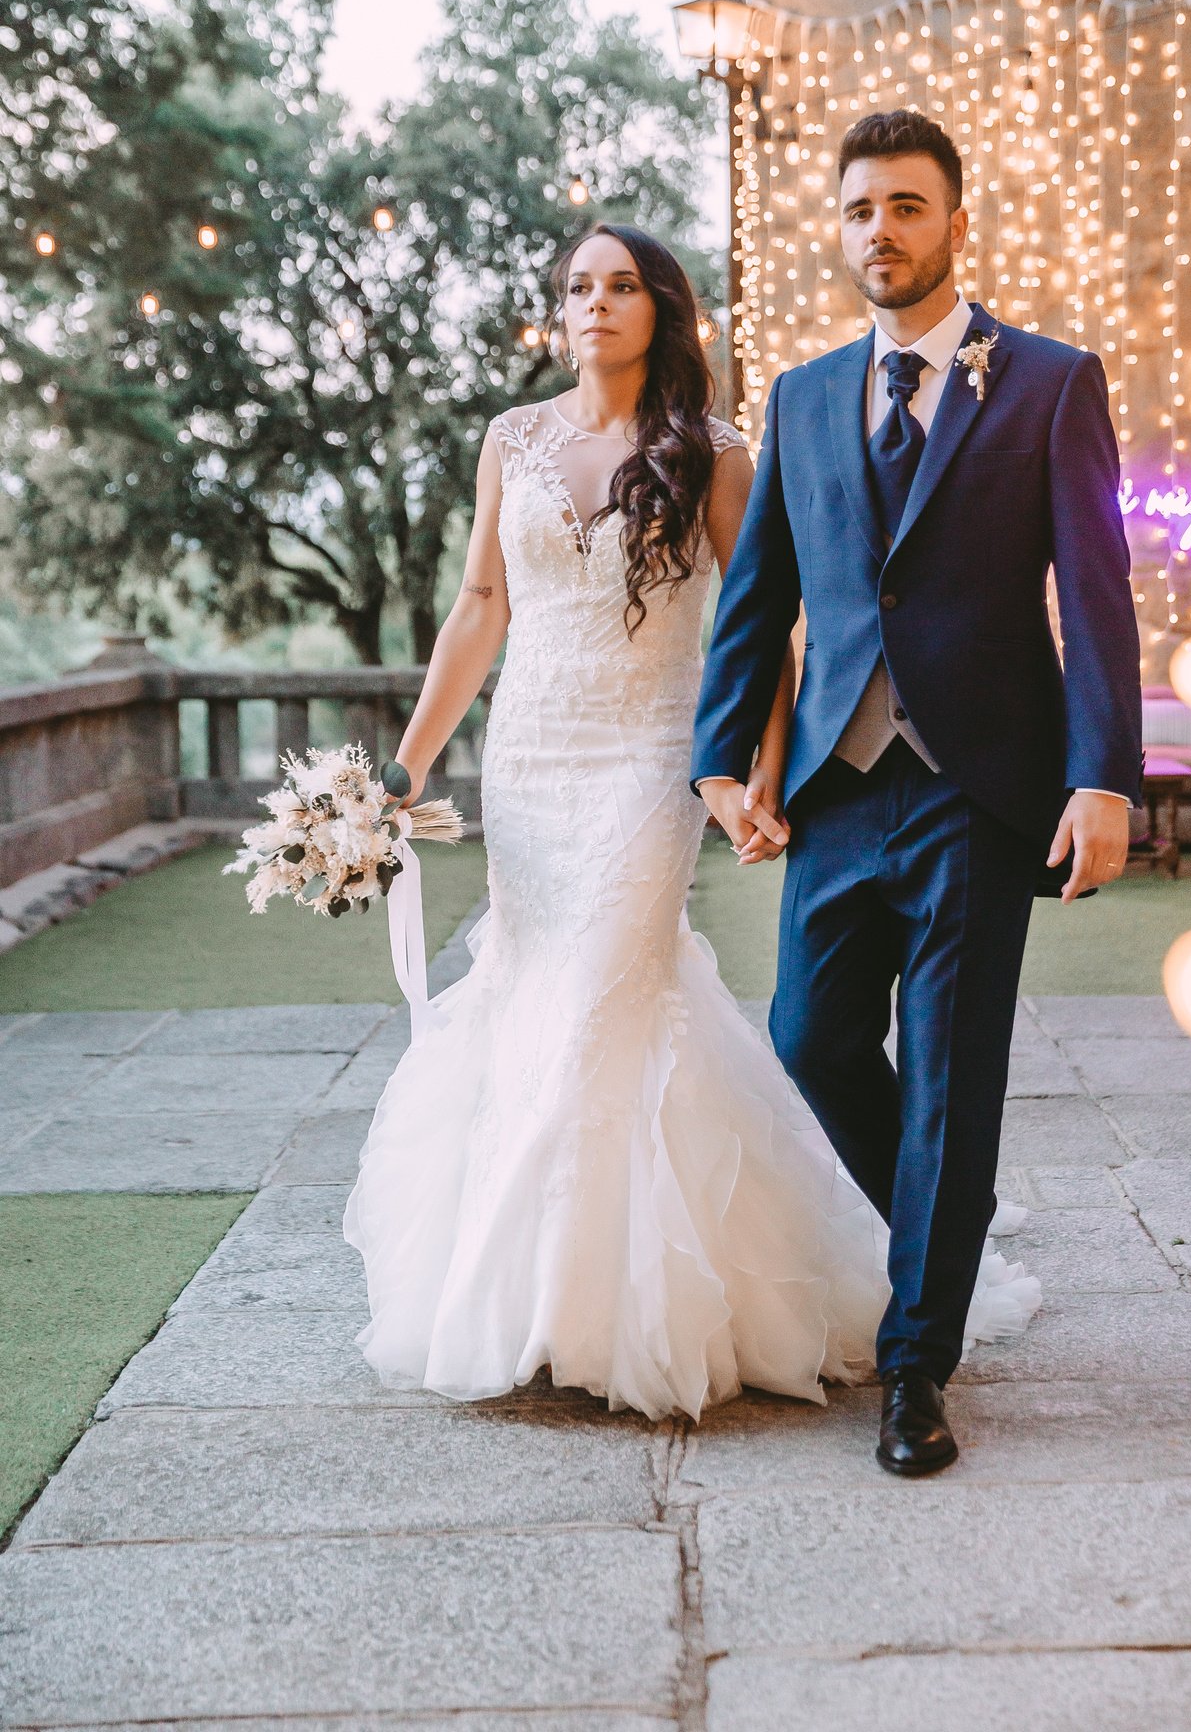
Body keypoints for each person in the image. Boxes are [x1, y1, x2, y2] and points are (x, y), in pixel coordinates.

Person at [344, 219, 1039, 1421]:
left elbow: (763, 619)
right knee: (533, 991)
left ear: (661, 309)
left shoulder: (712, 450)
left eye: (621, 286)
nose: (597, 304)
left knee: (610, 996)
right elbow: (477, 605)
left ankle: (630, 1310)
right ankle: (538, 1307)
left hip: (647, 760)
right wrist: (402, 772)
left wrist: (754, 773)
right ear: (555, 314)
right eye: (576, 287)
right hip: (531, 757)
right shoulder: (509, 441)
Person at [693, 107, 1142, 1474]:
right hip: (837, 781)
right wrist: (720, 759)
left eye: (902, 205)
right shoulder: (801, 394)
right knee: (809, 1039)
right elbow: (757, 592)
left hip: (975, 791)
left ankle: (913, 1368)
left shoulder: (1052, 383)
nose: (876, 231)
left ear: (953, 218)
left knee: (948, 1077)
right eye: (855, 210)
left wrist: (1101, 778)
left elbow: (1096, 592)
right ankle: (939, 1220)